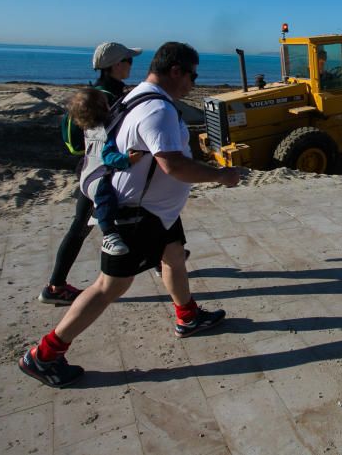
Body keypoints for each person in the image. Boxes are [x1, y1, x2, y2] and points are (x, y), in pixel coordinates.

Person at [19, 41, 241, 388]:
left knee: (173, 257)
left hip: (157, 212)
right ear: (176, 71)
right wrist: (220, 175)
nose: (194, 83)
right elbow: (173, 165)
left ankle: (188, 316)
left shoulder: (137, 94)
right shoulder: (159, 111)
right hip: (136, 214)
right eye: (193, 75)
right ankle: (44, 355)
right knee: (111, 286)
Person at [39, 42, 138, 305]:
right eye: (129, 60)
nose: (131, 64)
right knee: (89, 226)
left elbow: (76, 140)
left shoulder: (92, 93)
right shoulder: (110, 97)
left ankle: (56, 285)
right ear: (116, 65)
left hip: (89, 168)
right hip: (107, 169)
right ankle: (55, 286)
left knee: (81, 226)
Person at [66, 88, 144, 256]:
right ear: (102, 108)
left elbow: (116, 112)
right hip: (95, 179)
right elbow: (108, 157)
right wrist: (127, 160)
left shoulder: (90, 128)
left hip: (86, 174)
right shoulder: (103, 132)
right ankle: (109, 235)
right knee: (105, 199)